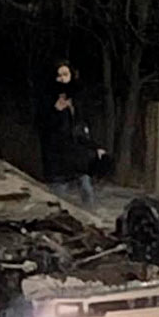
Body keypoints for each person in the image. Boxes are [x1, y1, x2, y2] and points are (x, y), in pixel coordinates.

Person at [37, 60, 111, 207]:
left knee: (87, 190)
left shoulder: (77, 104)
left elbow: (81, 132)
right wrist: (55, 111)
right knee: (59, 201)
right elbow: (43, 129)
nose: (62, 79)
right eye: (59, 76)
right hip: (57, 162)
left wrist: (96, 148)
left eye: (65, 74)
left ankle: (91, 222)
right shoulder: (46, 101)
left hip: (76, 160)